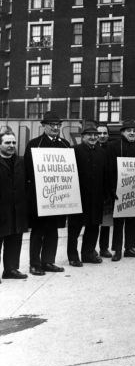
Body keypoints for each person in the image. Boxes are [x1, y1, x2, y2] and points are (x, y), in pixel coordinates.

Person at [24, 111, 71, 276]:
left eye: (58, 125)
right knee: (38, 231)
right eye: (52, 125)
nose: (55, 128)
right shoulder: (34, 144)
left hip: (58, 196)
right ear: (44, 126)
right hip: (39, 196)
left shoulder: (65, 145)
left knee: (53, 230)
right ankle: (35, 264)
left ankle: (48, 261)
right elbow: (28, 172)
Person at [67, 125, 109, 267]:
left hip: (96, 197)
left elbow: (105, 174)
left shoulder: (102, 152)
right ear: (83, 137)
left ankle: (88, 253)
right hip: (78, 197)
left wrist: (106, 193)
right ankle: (73, 256)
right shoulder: (74, 151)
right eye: (89, 135)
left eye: (95, 135)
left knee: (93, 227)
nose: (93, 137)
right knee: (75, 228)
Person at [107, 119, 135, 262]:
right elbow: (110, 169)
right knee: (118, 223)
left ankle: (129, 248)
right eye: (129, 130)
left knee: (133, 222)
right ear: (122, 132)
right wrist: (112, 188)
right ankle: (117, 250)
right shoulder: (114, 146)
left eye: (134, 131)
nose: (132, 133)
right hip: (119, 190)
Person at [0, 129, 28, 281]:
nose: (11, 145)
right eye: (7, 142)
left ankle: (11, 269)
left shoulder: (21, 161)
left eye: (13, 142)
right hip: (1, 209)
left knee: (14, 240)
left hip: (17, 209)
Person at [96, 123, 113, 258]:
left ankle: (104, 248)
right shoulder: (91, 148)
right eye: (99, 133)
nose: (102, 136)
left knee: (106, 223)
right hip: (94, 192)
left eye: (104, 133)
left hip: (107, 192)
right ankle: (90, 248)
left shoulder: (111, 149)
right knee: (93, 223)